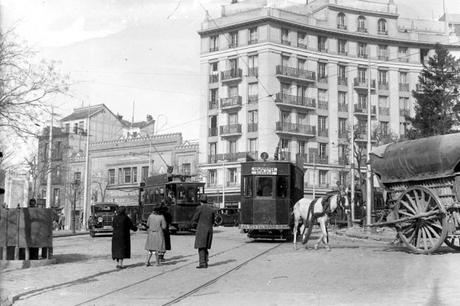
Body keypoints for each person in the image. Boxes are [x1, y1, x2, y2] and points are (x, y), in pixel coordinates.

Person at [191, 194, 215, 269]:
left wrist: (193, 225)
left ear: (200, 201)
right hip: (209, 229)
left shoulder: (199, 208)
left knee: (201, 247)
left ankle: (202, 263)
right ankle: (206, 261)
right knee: (206, 247)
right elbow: (213, 221)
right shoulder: (211, 209)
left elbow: (195, 219)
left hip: (201, 230)